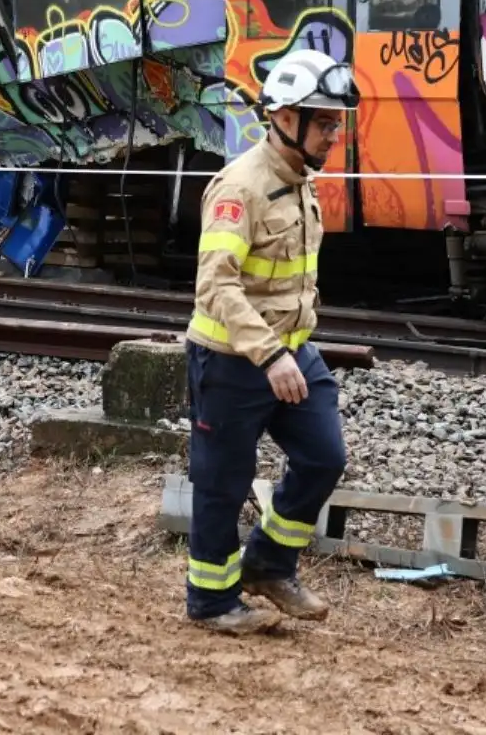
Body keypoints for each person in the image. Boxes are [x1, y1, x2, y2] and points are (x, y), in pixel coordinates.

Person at [183, 47, 358, 635]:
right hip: (231, 361)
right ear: (285, 118)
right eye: (324, 122)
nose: (334, 133)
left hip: (290, 352)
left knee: (324, 456)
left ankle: (267, 565)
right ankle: (212, 602)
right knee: (222, 484)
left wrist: (289, 349)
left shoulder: (300, 181)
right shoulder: (241, 188)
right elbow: (216, 285)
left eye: (336, 122)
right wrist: (271, 355)